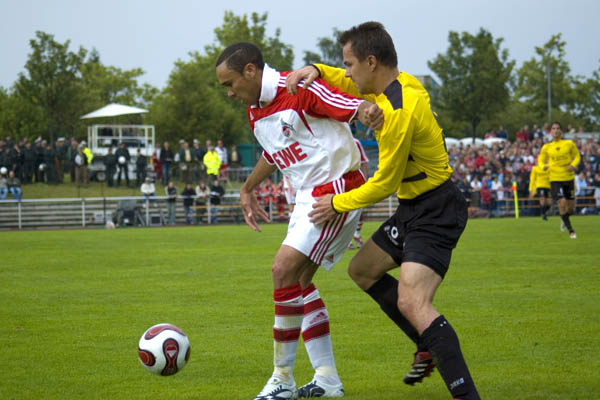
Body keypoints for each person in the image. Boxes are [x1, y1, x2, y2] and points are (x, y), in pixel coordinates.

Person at [286, 21, 480, 399]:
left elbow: (385, 183)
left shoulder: (397, 111)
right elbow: (345, 84)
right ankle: (426, 342)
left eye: (350, 64)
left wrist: (335, 203)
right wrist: (317, 70)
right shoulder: (397, 85)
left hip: (436, 209)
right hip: (415, 207)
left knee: (413, 301)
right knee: (362, 269)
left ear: (371, 62)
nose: (346, 72)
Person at [216, 41, 380, 399]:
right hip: (308, 195)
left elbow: (340, 101)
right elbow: (274, 154)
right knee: (299, 282)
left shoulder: (295, 86)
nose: (229, 92)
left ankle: (282, 379)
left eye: (230, 83)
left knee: (283, 269)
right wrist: (247, 187)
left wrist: (365, 109)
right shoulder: (255, 111)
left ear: (250, 71)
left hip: (335, 191)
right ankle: (327, 379)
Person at [538, 121, 581, 238]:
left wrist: (573, 165)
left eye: (558, 128)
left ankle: (564, 218)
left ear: (561, 131)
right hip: (555, 179)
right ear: (550, 132)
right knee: (561, 203)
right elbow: (540, 160)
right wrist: (543, 166)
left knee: (570, 208)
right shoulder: (546, 147)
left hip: (568, 178)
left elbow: (577, 156)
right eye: (553, 128)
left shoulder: (569, 143)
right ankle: (571, 231)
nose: (556, 130)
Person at [348, 138, 369, 249]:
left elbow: (364, 162)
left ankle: (356, 234)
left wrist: (364, 180)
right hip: (340, 181)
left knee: (359, 209)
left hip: (356, 180)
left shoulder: (355, 142)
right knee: (344, 211)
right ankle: (347, 239)